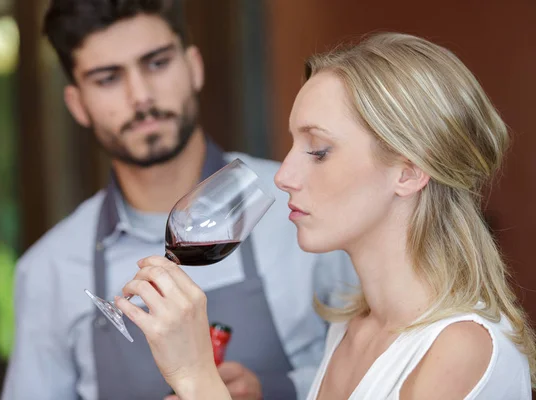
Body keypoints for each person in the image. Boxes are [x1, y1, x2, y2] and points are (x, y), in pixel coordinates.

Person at [115, 32, 536, 399]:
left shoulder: (461, 350)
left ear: (409, 171)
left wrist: (195, 377)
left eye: (317, 150)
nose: (283, 176)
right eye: (293, 145)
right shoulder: (353, 330)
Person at [0, 1, 357, 399]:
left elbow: (384, 370)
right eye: (107, 78)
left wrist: (274, 390)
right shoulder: (47, 270)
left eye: (156, 64)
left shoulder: (302, 201)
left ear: (194, 67)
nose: (141, 96)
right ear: (78, 105)